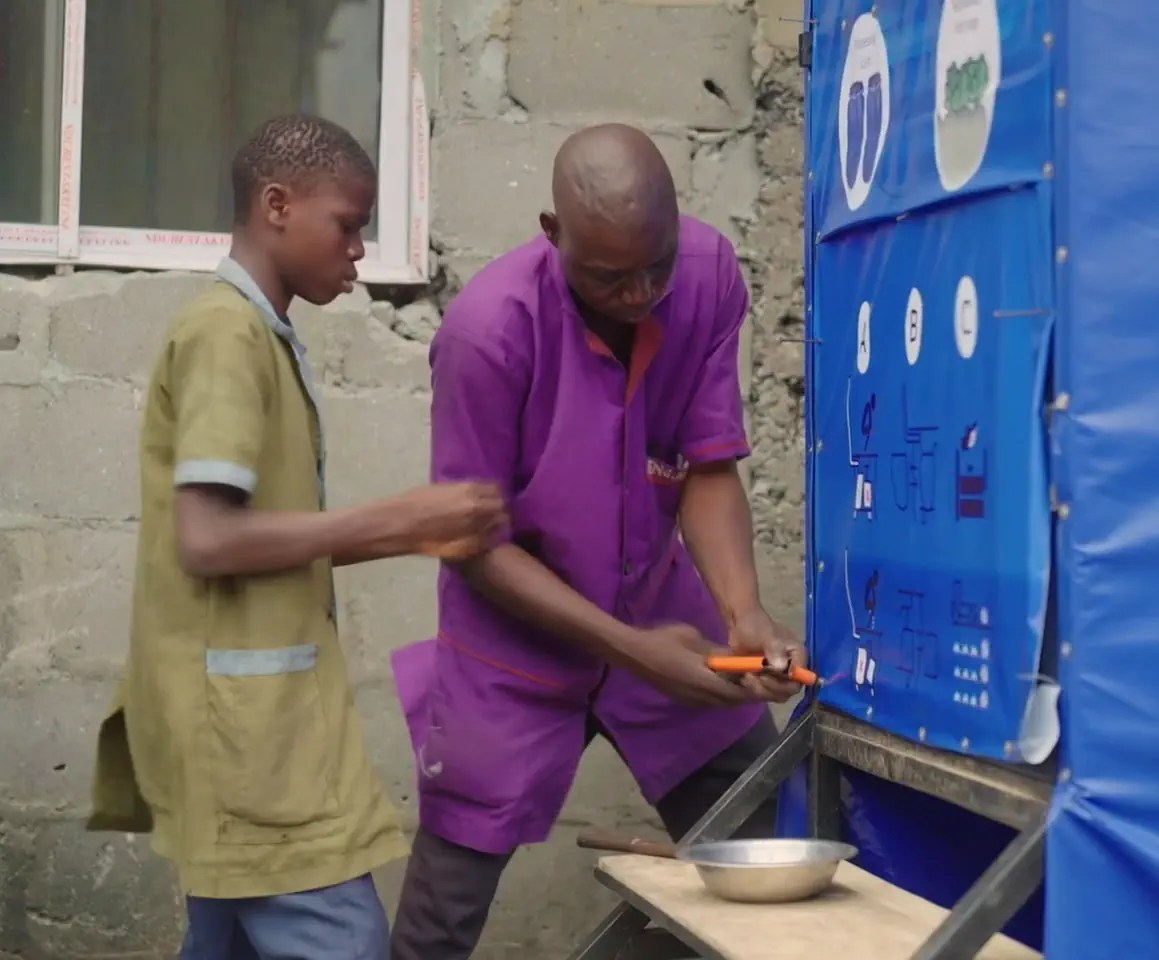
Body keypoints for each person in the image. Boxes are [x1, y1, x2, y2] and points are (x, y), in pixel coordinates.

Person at [86, 114, 506, 960]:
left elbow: (268, 535)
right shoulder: (224, 334)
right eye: (348, 226)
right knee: (343, 943)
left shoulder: (260, 335)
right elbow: (207, 538)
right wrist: (402, 522)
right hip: (246, 748)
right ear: (277, 205)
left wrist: (413, 529)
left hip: (247, 733)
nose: (357, 251)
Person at [389, 123, 806, 958]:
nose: (641, 293)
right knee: (444, 913)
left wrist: (742, 611)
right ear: (552, 235)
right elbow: (474, 545)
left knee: (768, 848)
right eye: (611, 275)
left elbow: (709, 463)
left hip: (661, 610)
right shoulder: (485, 334)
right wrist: (637, 651)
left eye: (658, 264)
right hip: (512, 641)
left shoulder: (710, 275)